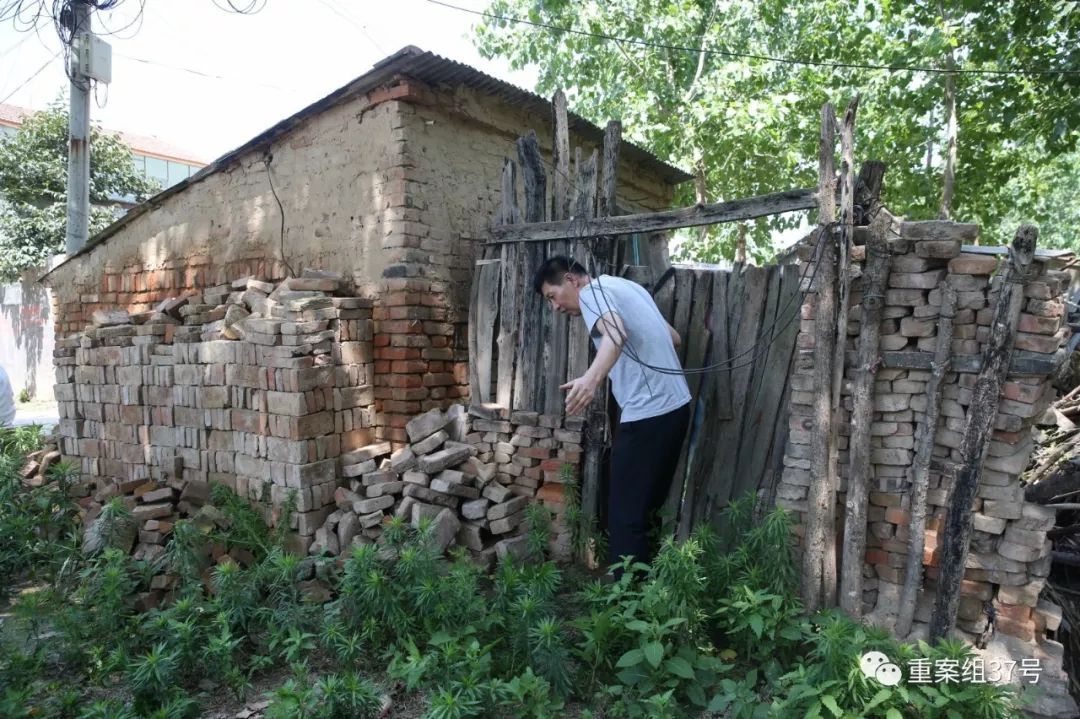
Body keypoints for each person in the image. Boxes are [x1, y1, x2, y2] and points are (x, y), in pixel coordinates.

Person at [533, 256, 691, 573]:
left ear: (571, 279)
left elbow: (616, 332)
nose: (556, 308)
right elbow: (673, 337)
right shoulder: (627, 287)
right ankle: (653, 589)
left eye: (552, 296)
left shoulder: (592, 293)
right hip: (677, 407)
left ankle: (626, 601)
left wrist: (590, 380)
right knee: (645, 507)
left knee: (623, 513)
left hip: (648, 412)